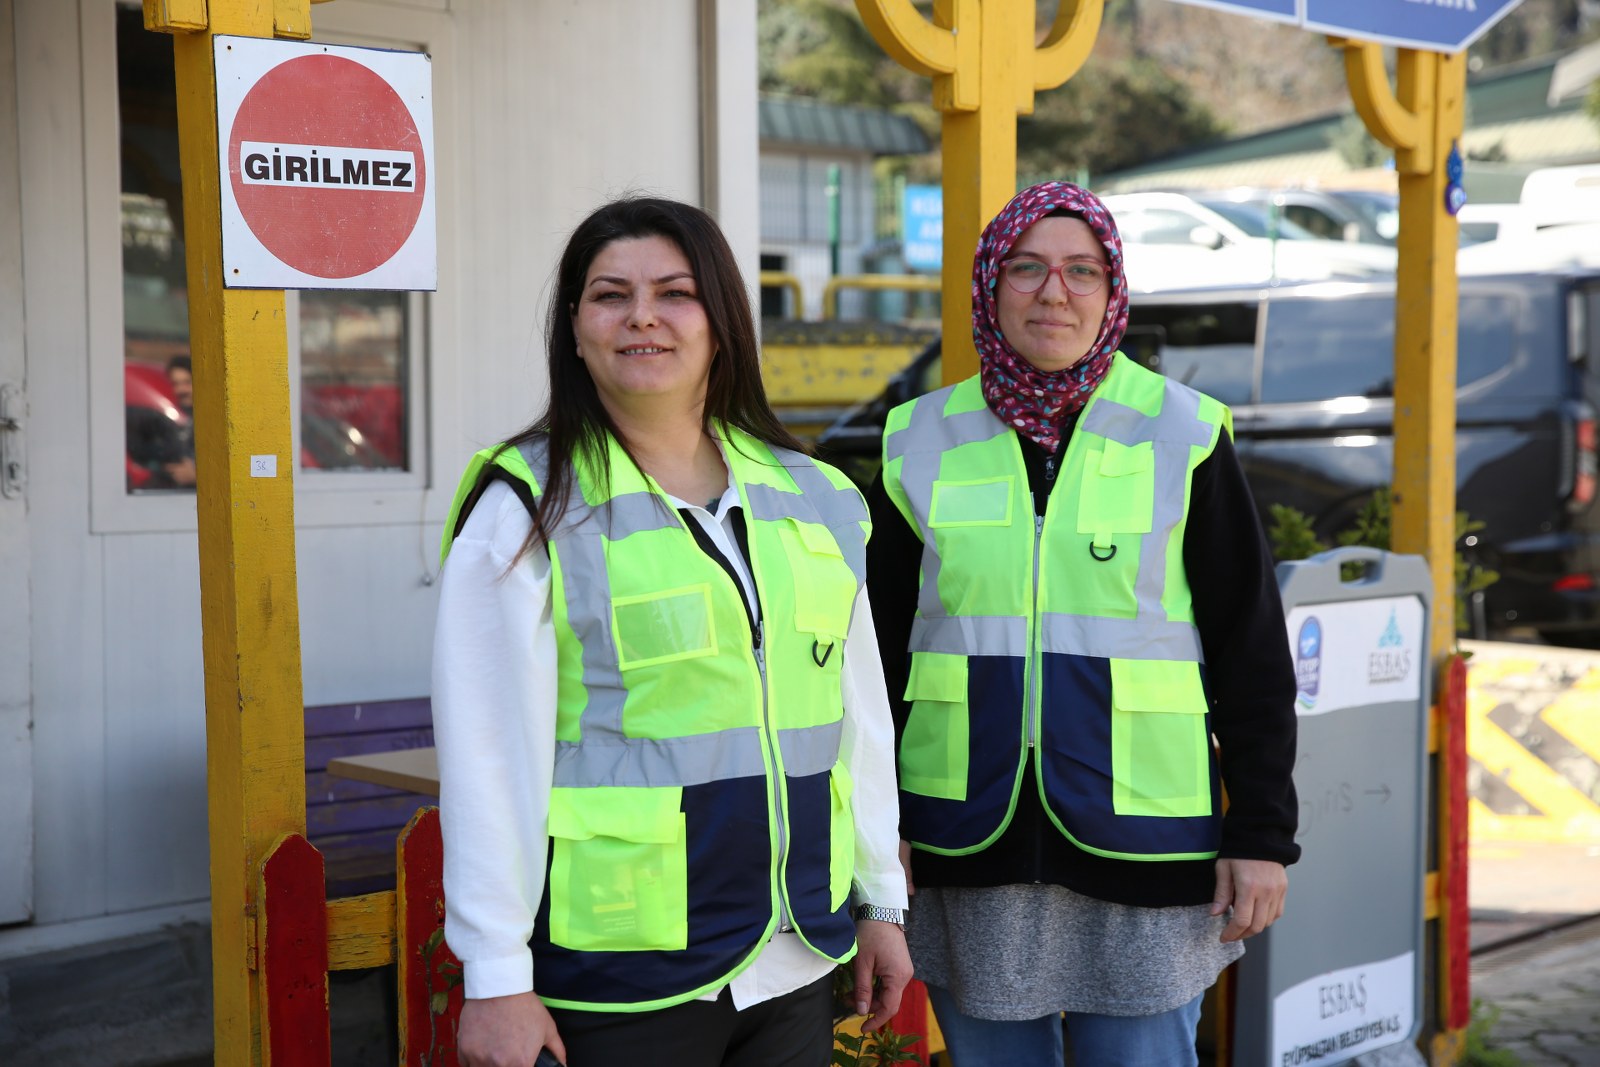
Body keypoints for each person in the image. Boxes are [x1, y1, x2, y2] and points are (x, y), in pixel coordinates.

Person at [432, 196, 912, 1067]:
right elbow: (487, 756)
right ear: (574, 330)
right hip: (625, 971)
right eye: (609, 294)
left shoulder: (817, 497)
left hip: (794, 951)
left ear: (721, 321)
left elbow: (860, 720)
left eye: (674, 292)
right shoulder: (529, 508)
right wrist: (495, 975)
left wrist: (880, 898)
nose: (642, 315)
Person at [866, 181, 1299, 1067]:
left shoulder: (1185, 431)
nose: (1053, 293)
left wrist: (1262, 835)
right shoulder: (918, 438)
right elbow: (869, 665)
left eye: (1080, 271)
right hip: (964, 842)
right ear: (989, 289)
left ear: (1113, 292)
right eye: (1025, 269)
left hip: (1146, 849)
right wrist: (878, 839)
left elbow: (1249, 649)